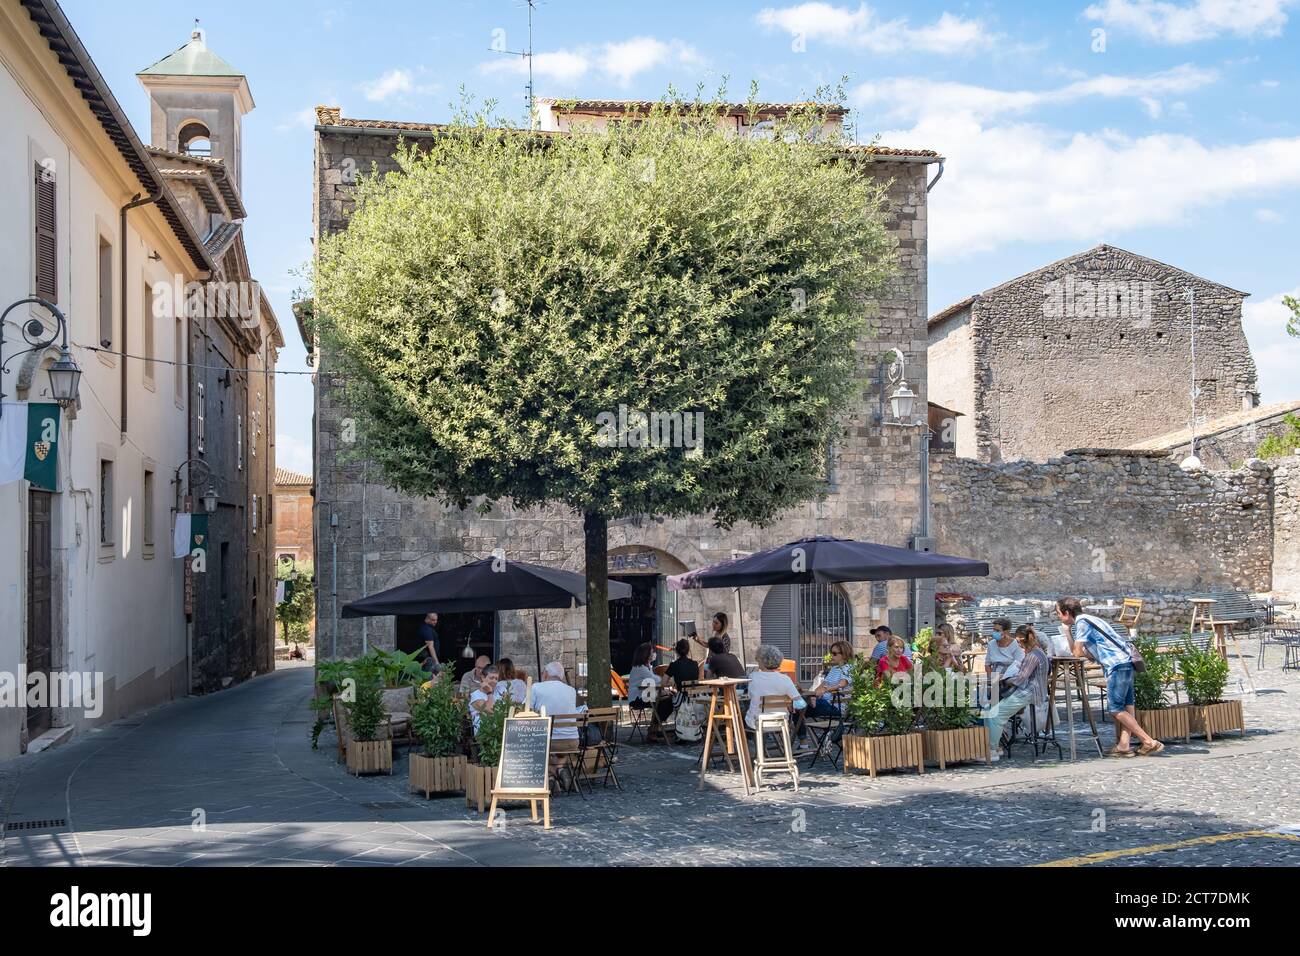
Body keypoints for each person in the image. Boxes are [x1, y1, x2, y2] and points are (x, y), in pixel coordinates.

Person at [1058, 596, 1164, 757]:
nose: (1058, 616)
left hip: (1117, 666)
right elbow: (1089, 653)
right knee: (1127, 706)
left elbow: (1077, 653)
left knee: (1115, 709)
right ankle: (1124, 745)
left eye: (1058, 613)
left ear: (1066, 613)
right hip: (1126, 662)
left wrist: (1066, 632)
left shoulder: (1082, 623)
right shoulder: (1090, 619)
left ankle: (1148, 741)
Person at [982, 626, 1050, 761]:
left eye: (1018, 642)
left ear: (1022, 640)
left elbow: (1020, 679)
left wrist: (1005, 680)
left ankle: (992, 750)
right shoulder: (1039, 652)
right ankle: (994, 747)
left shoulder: (1033, 655)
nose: (1018, 645)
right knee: (991, 711)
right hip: (1031, 691)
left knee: (996, 715)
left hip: (1029, 692)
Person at [744, 644, 806, 730]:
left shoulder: (753, 677)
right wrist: (790, 703)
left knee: (743, 711)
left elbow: (750, 696)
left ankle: (755, 739)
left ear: (762, 660)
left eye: (757, 658)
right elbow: (801, 704)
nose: (756, 660)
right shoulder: (785, 679)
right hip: (781, 722)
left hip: (757, 722)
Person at [628, 642, 673, 725]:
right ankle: (655, 725)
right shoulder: (640, 668)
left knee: (669, 700)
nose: (654, 654)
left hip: (646, 695)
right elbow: (655, 680)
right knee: (667, 701)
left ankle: (656, 724)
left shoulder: (647, 667)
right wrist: (666, 680)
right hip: (637, 699)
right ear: (646, 655)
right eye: (652, 652)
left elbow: (655, 681)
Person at [467, 666, 502, 734]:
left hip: (500, 731)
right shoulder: (475, 696)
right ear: (483, 677)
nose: (494, 681)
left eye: (496, 679)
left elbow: (508, 708)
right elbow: (491, 711)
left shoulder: (501, 689)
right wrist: (489, 693)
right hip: (484, 733)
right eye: (491, 678)